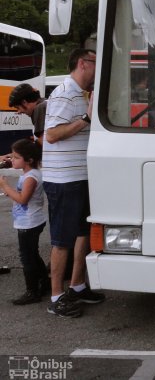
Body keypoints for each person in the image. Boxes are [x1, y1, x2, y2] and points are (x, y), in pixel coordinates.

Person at [42, 48, 104, 318]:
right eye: (94, 63)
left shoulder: (82, 94)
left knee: (82, 235)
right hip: (63, 179)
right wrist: (86, 120)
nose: (97, 68)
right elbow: (52, 135)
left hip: (80, 176)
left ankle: (77, 285)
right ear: (82, 63)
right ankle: (56, 296)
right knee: (63, 239)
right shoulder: (65, 93)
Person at [0, 139, 49, 305]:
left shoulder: (31, 178)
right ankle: (44, 282)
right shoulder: (30, 175)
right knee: (32, 255)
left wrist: (5, 187)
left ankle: (32, 291)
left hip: (29, 223)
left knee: (27, 258)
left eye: (16, 157)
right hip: (30, 221)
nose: (11, 160)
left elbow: (22, 199)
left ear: (29, 160)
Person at [0, 84, 47, 167]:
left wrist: (16, 156)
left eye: (18, 107)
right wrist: (14, 156)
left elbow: (43, 141)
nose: (18, 112)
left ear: (24, 102)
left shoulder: (40, 108)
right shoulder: (44, 104)